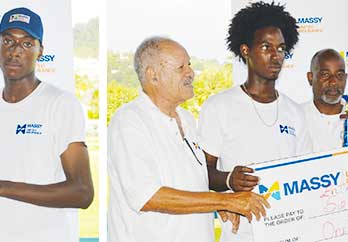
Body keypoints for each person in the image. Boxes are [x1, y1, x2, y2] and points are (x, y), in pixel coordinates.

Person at [0, 7, 93, 242]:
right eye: (8, 41)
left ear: (40, 51)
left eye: (27, 43)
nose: (15, 51)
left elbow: (83, 192)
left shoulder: (60, 104)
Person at [108, 36, 270, 242]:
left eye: (190, 65)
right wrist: (225, 201)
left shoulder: (186, 119)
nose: (191, 73)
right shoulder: (129, 121)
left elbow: (191, 182)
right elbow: (147, 197)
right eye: (181, 67)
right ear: (153, 75)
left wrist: (218, 206)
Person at [198, 2, 310, 241]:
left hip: (291, 231)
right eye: (266, 46)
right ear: (246, 50)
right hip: (241, 234)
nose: (275, 55)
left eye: (281, 48)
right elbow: (199, 173)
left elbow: (306, 173)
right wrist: (229, 179)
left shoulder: (294, 112)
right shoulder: (219, 107)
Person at [301, 49, 348, 152]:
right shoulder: (296, 117)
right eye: (325, 75)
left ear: (346, 78)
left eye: (339, 75)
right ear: (311, 77)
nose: (333, 82)